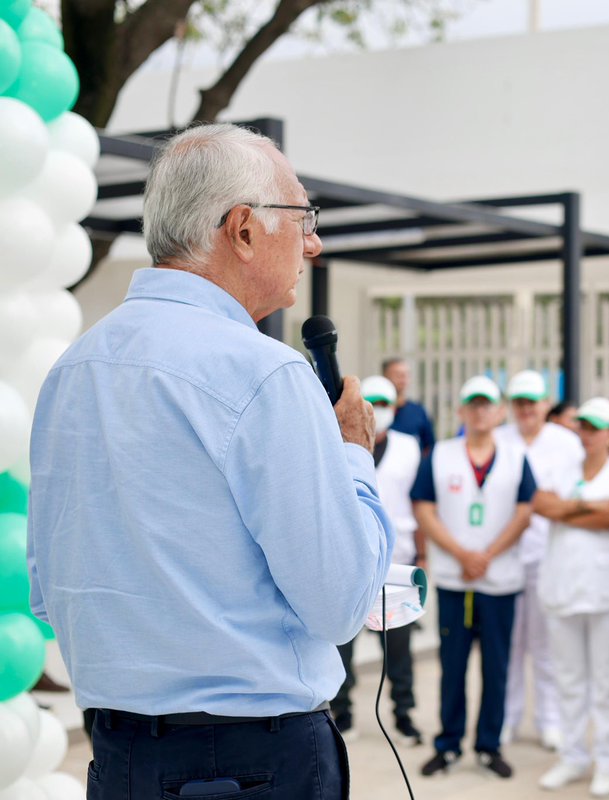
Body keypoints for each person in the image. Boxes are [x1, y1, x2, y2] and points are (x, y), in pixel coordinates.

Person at [26, 123, 392, 799]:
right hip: (255, 759)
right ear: (243, 229)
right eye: (303, 218)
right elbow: (341, 602)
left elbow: (49, 591)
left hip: (121, 755)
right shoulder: (262, 371)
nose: (313, 243)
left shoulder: (74, 368)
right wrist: (352, 456)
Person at [411, 375, 536, 779]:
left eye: (487, 405)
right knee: (452, 666)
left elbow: (525, 511)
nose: (480, 412)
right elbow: (423, 508)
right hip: (456, 579)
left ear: (499, 412)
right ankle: (448, 744)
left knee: (497, 668)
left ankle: (488, 745)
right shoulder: (441, 455)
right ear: (461, 411)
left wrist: (488, 555)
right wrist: (463, 554)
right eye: (473, 404)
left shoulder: (516, 456)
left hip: (500, 580)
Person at [534, 398, 609, 797]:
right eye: (584, 426)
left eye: (596, 428)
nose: (588, 434)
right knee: (568, 680)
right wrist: (590, 507)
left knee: (607, 682)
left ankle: (608, 761)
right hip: (563, 589)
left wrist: (569, 509)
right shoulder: (561, 468)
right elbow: (542, 505)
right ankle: (573, 756)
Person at [331, 375, 424, 744]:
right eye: (373, 402)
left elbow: (419, 502)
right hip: (350, 560)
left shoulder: (409, 447)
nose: (379, 410)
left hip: (395, 561)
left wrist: (423, 554)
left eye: (385, 403)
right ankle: (343, 713)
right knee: (342, 645)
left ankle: (403, 714)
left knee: (398, 647)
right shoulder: (336, 441)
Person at [495, 370, 583, 750]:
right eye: (519, 402)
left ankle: (550, 721)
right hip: (507, 554)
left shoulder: (567, 443)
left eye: (532, 402)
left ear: (545, 404)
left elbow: (572, 499)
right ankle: (507, 718)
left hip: (549, 555)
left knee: (546, 646)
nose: (526, 409)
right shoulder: (500, 439)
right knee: (509, 644)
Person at [384, 357, 436, 455]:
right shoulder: (375, 410)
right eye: (397, 374)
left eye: (406, 374)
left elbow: (429, 446)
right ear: (385, 377)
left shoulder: (418, 412)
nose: (403, 378)